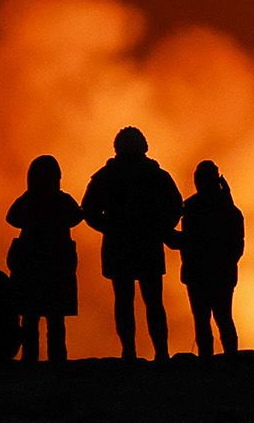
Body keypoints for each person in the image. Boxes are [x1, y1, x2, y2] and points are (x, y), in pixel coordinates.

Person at [81, 126, 184, 360]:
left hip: (121, 246)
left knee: (126, 301)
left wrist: (109, 226)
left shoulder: (107, 176)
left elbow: (89, 210)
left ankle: (131, 352)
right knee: (151, 302)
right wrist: (160, 228)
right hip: (144, 245)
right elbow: (176, 206)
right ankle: (160, 353)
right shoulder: (156, 176)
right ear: (144, 146)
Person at [5, 155, 84, 362]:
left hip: (31, 265)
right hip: (57, 265)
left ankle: (30, 358)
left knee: (30, 318)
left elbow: (12, 217)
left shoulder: (29, 200)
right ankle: (57, 359)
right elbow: (77, 216)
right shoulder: (62, 200)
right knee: (55, 319)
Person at [167, 159, 245, 357]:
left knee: (204, 320)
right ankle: (230, 360)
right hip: (220, 275)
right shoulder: (230, 210)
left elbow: (186, 241)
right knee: (222, 318)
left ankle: (207, 362)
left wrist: (164, 233)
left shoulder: (191, 208)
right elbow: (237, 248)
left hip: (199, 274)